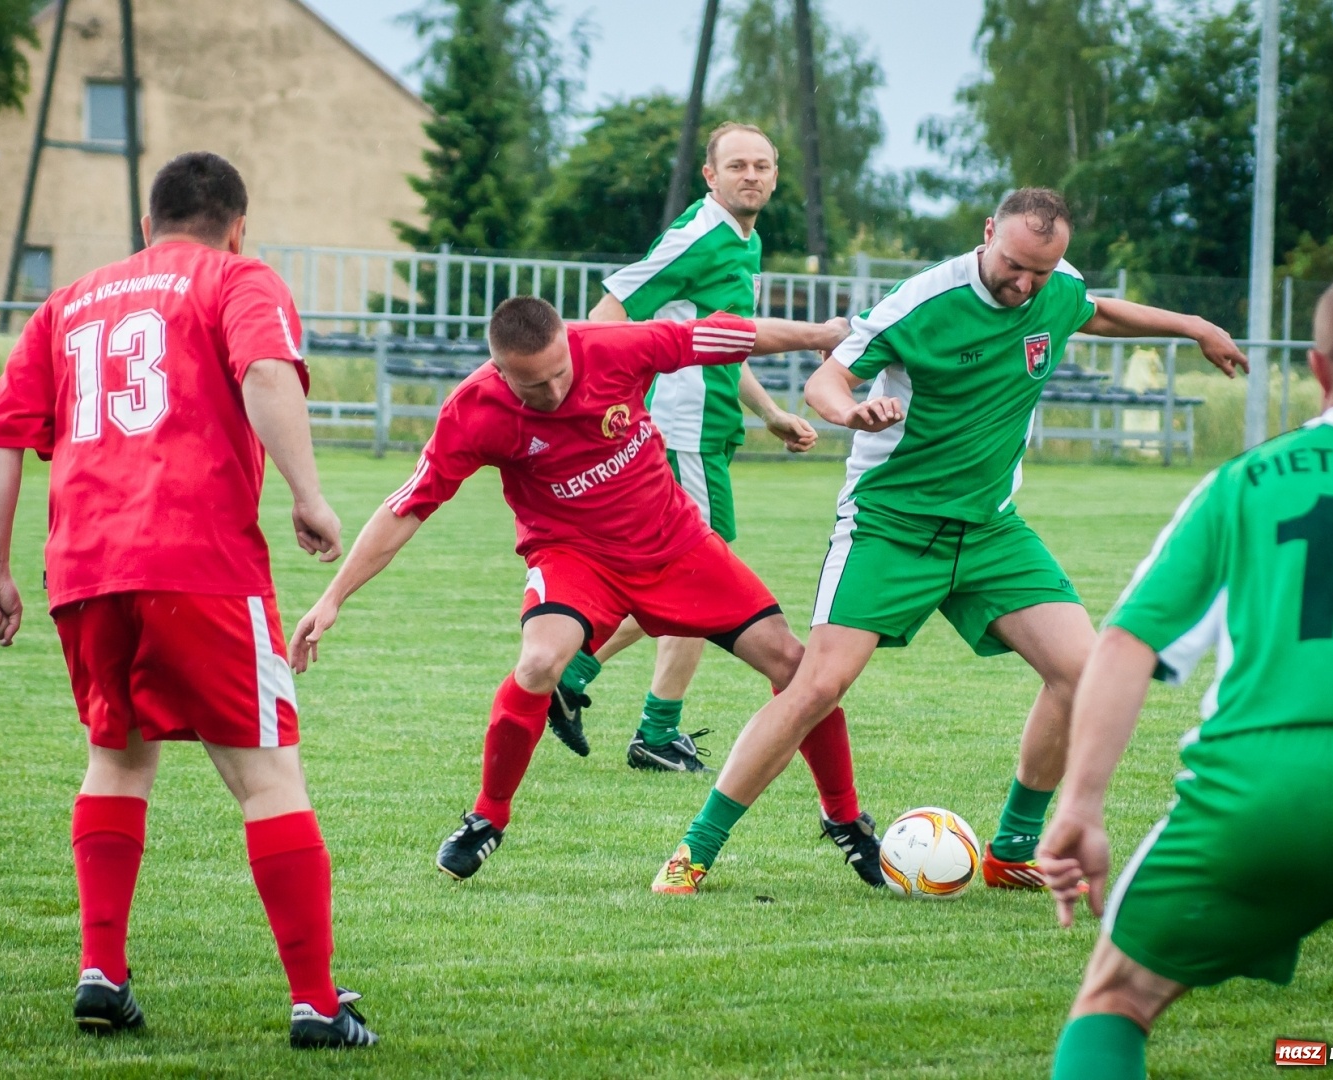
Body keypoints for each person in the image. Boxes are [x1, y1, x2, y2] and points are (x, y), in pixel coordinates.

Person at [652, 187, 1249, 895]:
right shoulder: (923, 301)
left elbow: (1096, 311)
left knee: (1083, 674)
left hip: (990, 528)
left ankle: (1013, 849)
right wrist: (853, 411)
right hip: (891, 526)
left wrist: (1194, 326)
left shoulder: (1056, 287)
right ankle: (694, 851)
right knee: (817, 687)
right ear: (988, 232)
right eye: (1014, 265)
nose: (1024, 284)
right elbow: (825, 380)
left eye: (1041, 271)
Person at [0, 152, 376, 1049]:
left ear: (147, 227)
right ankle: (316, 1003)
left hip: (85, 571)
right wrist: (308, 495)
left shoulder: (67, 302)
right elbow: (265, 372)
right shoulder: (238, 277)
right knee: (267, 776)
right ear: (238, 226)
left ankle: (102, 973)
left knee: (117, 761)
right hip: (199, 562)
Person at [288, 297, 882, 887]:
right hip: (574, 558)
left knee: (796, 667)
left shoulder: (613, 347)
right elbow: (408, 506)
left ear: (568, 344)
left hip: (675, 543)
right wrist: (333, 597)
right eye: (533, 385)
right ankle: (487, 817)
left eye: (559, 374)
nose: (552, 392)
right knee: (539, 662)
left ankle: (843, 817)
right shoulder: (474, 410)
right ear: (500, 372)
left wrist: (819, 334)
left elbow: (726, 334)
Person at [1039, 267, 1333, 1079]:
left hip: (1256, 791)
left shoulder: (1247, 481)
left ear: (1318, 369)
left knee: (1115, 1001)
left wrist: (1080, 804)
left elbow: (1126, 643)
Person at [546, 121, 818, 774]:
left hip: (708, 435)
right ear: (710, 175)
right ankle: (601, 691)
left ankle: (619, 704)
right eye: (737, 166)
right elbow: (605, 316)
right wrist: (605, 408)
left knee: (690, 579)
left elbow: (719, 342)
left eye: (761, 165)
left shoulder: (743, 240)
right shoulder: (698, 236)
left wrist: (771, 413)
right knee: (698, 578)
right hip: (680, 435)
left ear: (775, 175)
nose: (751, 175)